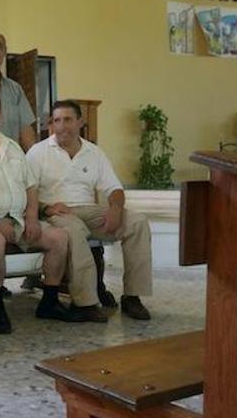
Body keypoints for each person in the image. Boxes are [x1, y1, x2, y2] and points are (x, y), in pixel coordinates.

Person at [0, 91, 86, 334]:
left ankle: (50, 301)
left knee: (59, 237)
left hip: (19, 218)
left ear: (1, 114)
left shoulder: (12, 146)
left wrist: (32, 218)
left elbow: (31, 187)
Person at [27, 100, 153, 320]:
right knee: (73, 229)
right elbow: (26, 193)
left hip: (88, 210)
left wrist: (115, 208)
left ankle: (132, 296)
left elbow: (114, 188)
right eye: (57, 121)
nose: (62, 126)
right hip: (55, 213)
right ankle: (85, 303)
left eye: (68, 120)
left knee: (137, 222)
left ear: (80, 122)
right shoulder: (38, 153)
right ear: (51, 125)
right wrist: (46, 208)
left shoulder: (93, 152)